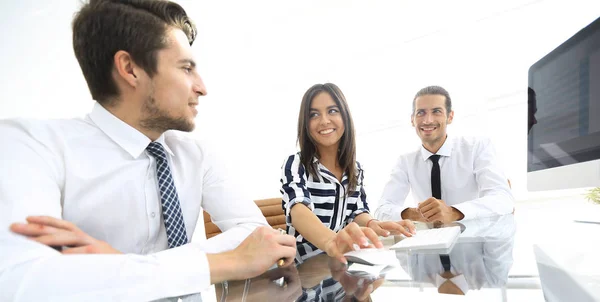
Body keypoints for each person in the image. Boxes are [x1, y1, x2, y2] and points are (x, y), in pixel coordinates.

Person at [0, 0, 296, 301]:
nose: (202, 87)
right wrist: (222, 262)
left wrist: (120, 268)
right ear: (130, 70)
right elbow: (21, 283)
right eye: (186, 68)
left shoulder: (197, 155)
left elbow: (259, 235)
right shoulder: (30, 145)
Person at [280, 83, 416, 264]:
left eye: (332, 111)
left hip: (339, 263)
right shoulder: (296, 164)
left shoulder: (355, 169)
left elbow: (357, 211)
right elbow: (298, 211)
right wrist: (332, 241)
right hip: (302, 267)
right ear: (305, 123)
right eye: (313, 114)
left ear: (345, 116)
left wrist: (374, 225)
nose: (324, 120)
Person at [375, 85, 514, 223]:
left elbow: (503, 199)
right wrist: (413, 214)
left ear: (450, 116)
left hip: (474, 240)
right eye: (421, 113)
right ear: (412, 119)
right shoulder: (405, 161)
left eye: (436, 111)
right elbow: (382, 210)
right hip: (429, 242)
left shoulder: (476, 147)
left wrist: (454, 212)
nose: (428, 120)